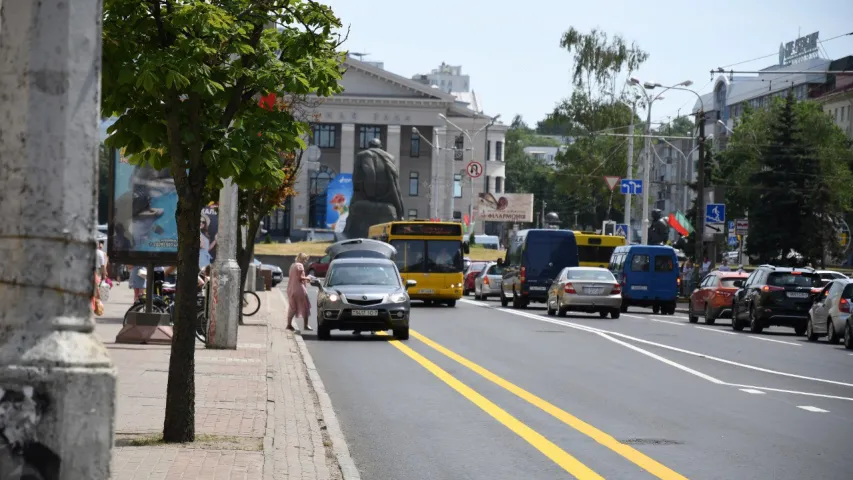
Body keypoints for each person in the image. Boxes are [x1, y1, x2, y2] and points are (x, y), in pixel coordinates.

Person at [286, 253, 313, 331]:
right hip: (300, 290)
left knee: (292, 307)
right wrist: (308, 278)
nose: (306, 262)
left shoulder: (292, 265)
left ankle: (289, 324)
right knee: (305, 306)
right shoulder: (300, 266)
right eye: (305, 260)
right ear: (302, 259)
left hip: (291, 289)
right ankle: (306, 325)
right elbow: (300, 278)